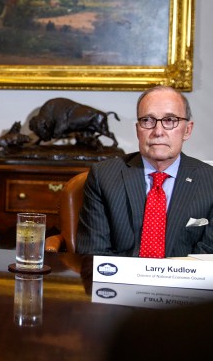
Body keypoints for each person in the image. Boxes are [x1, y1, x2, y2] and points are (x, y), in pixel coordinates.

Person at [77, 85, 213, 257]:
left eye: (170, 120)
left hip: (186, 283)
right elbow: (93, 254)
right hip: (118, 282)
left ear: (187, 130)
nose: (158, 132)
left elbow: (208, 259)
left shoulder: (210, 182)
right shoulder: (103, 177)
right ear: (138, 130)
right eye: (147, 120)